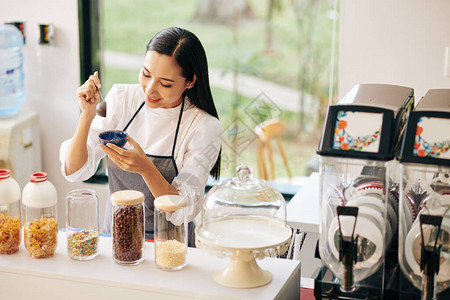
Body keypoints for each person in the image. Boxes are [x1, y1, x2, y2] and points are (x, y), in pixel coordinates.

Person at [60, 27, 222, 246]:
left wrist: (146, 168)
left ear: (190, 81)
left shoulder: (202, 126)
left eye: (165, 84)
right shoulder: (122, 99)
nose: (150, 90)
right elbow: (74, 169)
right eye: (146, 74)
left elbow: (184, 209)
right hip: (115, 240)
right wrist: (87, 116)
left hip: (170, 248)